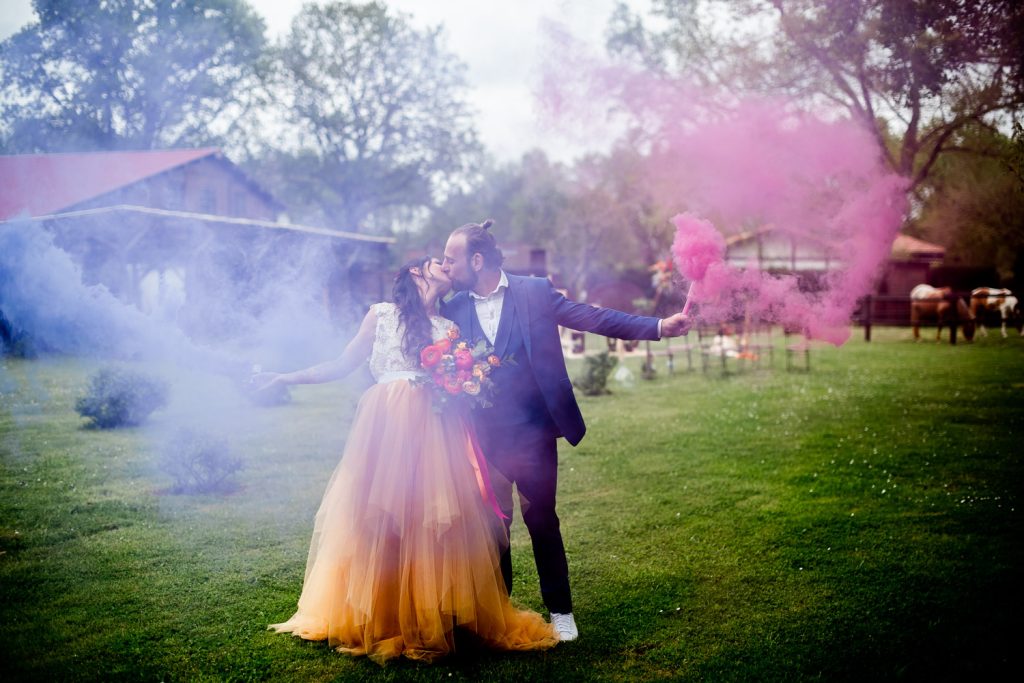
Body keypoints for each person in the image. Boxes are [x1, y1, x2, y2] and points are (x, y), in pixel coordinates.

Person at [254, 257, 557, 664]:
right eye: (438, 261)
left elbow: (464, 379)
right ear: (417, 273)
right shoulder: (381, 315)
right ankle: (382, 614)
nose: (447, 266)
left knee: (430, 520)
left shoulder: (449, 327)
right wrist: (285, 377)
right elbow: (342, 365)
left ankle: (434, 614)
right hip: (385, 428)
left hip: (437, 431)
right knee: (382, 517)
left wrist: (469, 382)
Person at [440, 221, 692, 642]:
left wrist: (659, 327)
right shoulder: (452, 308)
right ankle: (499, 610)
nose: (447, 266)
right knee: (492, 524)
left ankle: (561, 611)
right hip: (482, 435)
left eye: (452, 258)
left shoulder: (533, 291)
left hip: (535, 429)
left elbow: (591, 317)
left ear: (477, 259)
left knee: (542, 519)